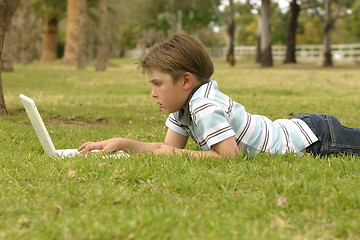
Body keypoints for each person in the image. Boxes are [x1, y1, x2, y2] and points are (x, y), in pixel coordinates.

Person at [78, 33, 360, 158]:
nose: (152, 93)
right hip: (300, 127)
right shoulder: (182, 106)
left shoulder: (203, 105)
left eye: (157, 84)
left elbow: (229, 157)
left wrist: (178, 156)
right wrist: (124, 143)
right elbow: (166, 149)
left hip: (316, 139)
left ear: (185, 80)